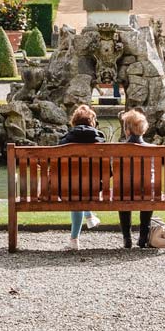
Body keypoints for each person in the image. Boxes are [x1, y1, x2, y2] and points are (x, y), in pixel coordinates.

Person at [58, 104, 103, 250]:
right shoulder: (100, 139)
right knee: (84, 185)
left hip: (68, 188)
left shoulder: (65, 140)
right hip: (94, 188)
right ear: (92, 122)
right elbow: (107, 170)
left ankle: (74, 240)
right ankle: (89, 217)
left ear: (74, 122)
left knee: (75, 187)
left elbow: (57, 168)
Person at [118, 108, 155, 249]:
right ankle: (143, 236)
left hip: (124, 193)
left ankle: (127, 237)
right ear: (143, 130)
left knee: (123, 192)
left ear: (126, 130)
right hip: (147, 193)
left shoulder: (118, 151)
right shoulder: (153, 149)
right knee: (147, 189)